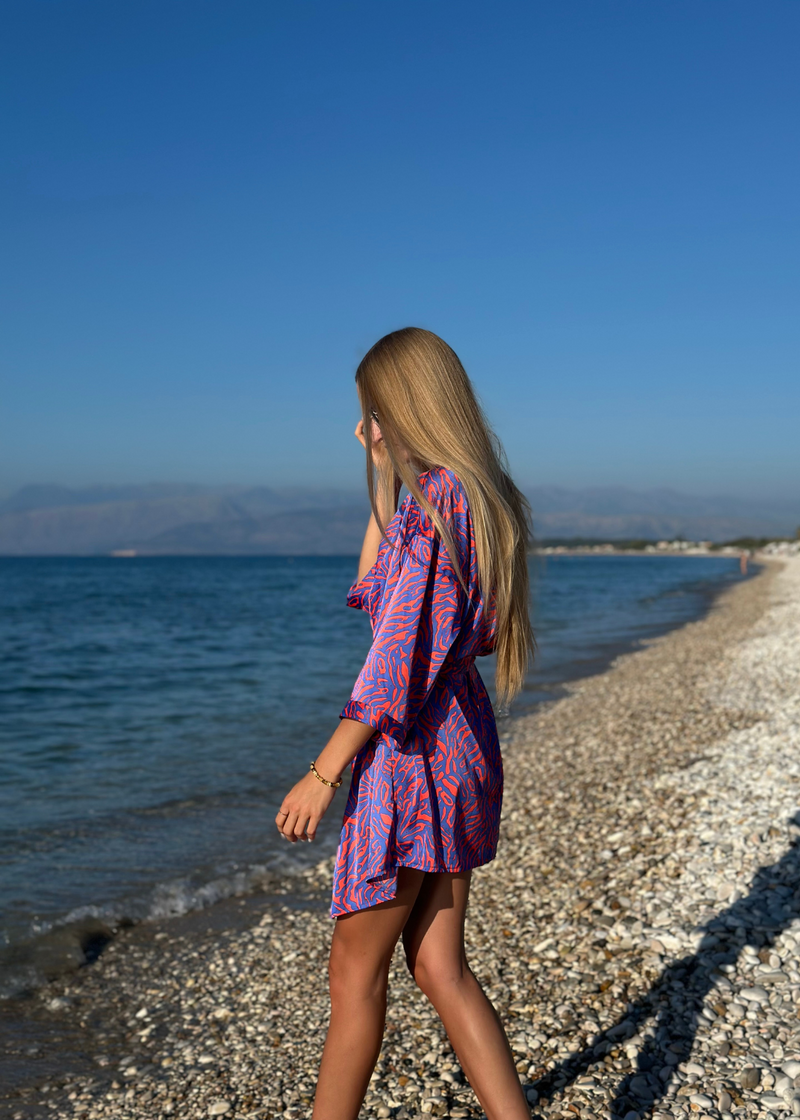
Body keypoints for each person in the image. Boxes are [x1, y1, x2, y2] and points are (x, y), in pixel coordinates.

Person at [275, 327, 535, 1120]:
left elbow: (389, 664)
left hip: (410, 759)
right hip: (462, 744)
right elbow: (373, 591)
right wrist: (386, 470)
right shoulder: (475, 499)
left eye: (374, 414)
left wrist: (323, 773)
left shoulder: (435, 512)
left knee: (354, 977)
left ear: (403, 405)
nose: (369, 429)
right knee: (440, 968)